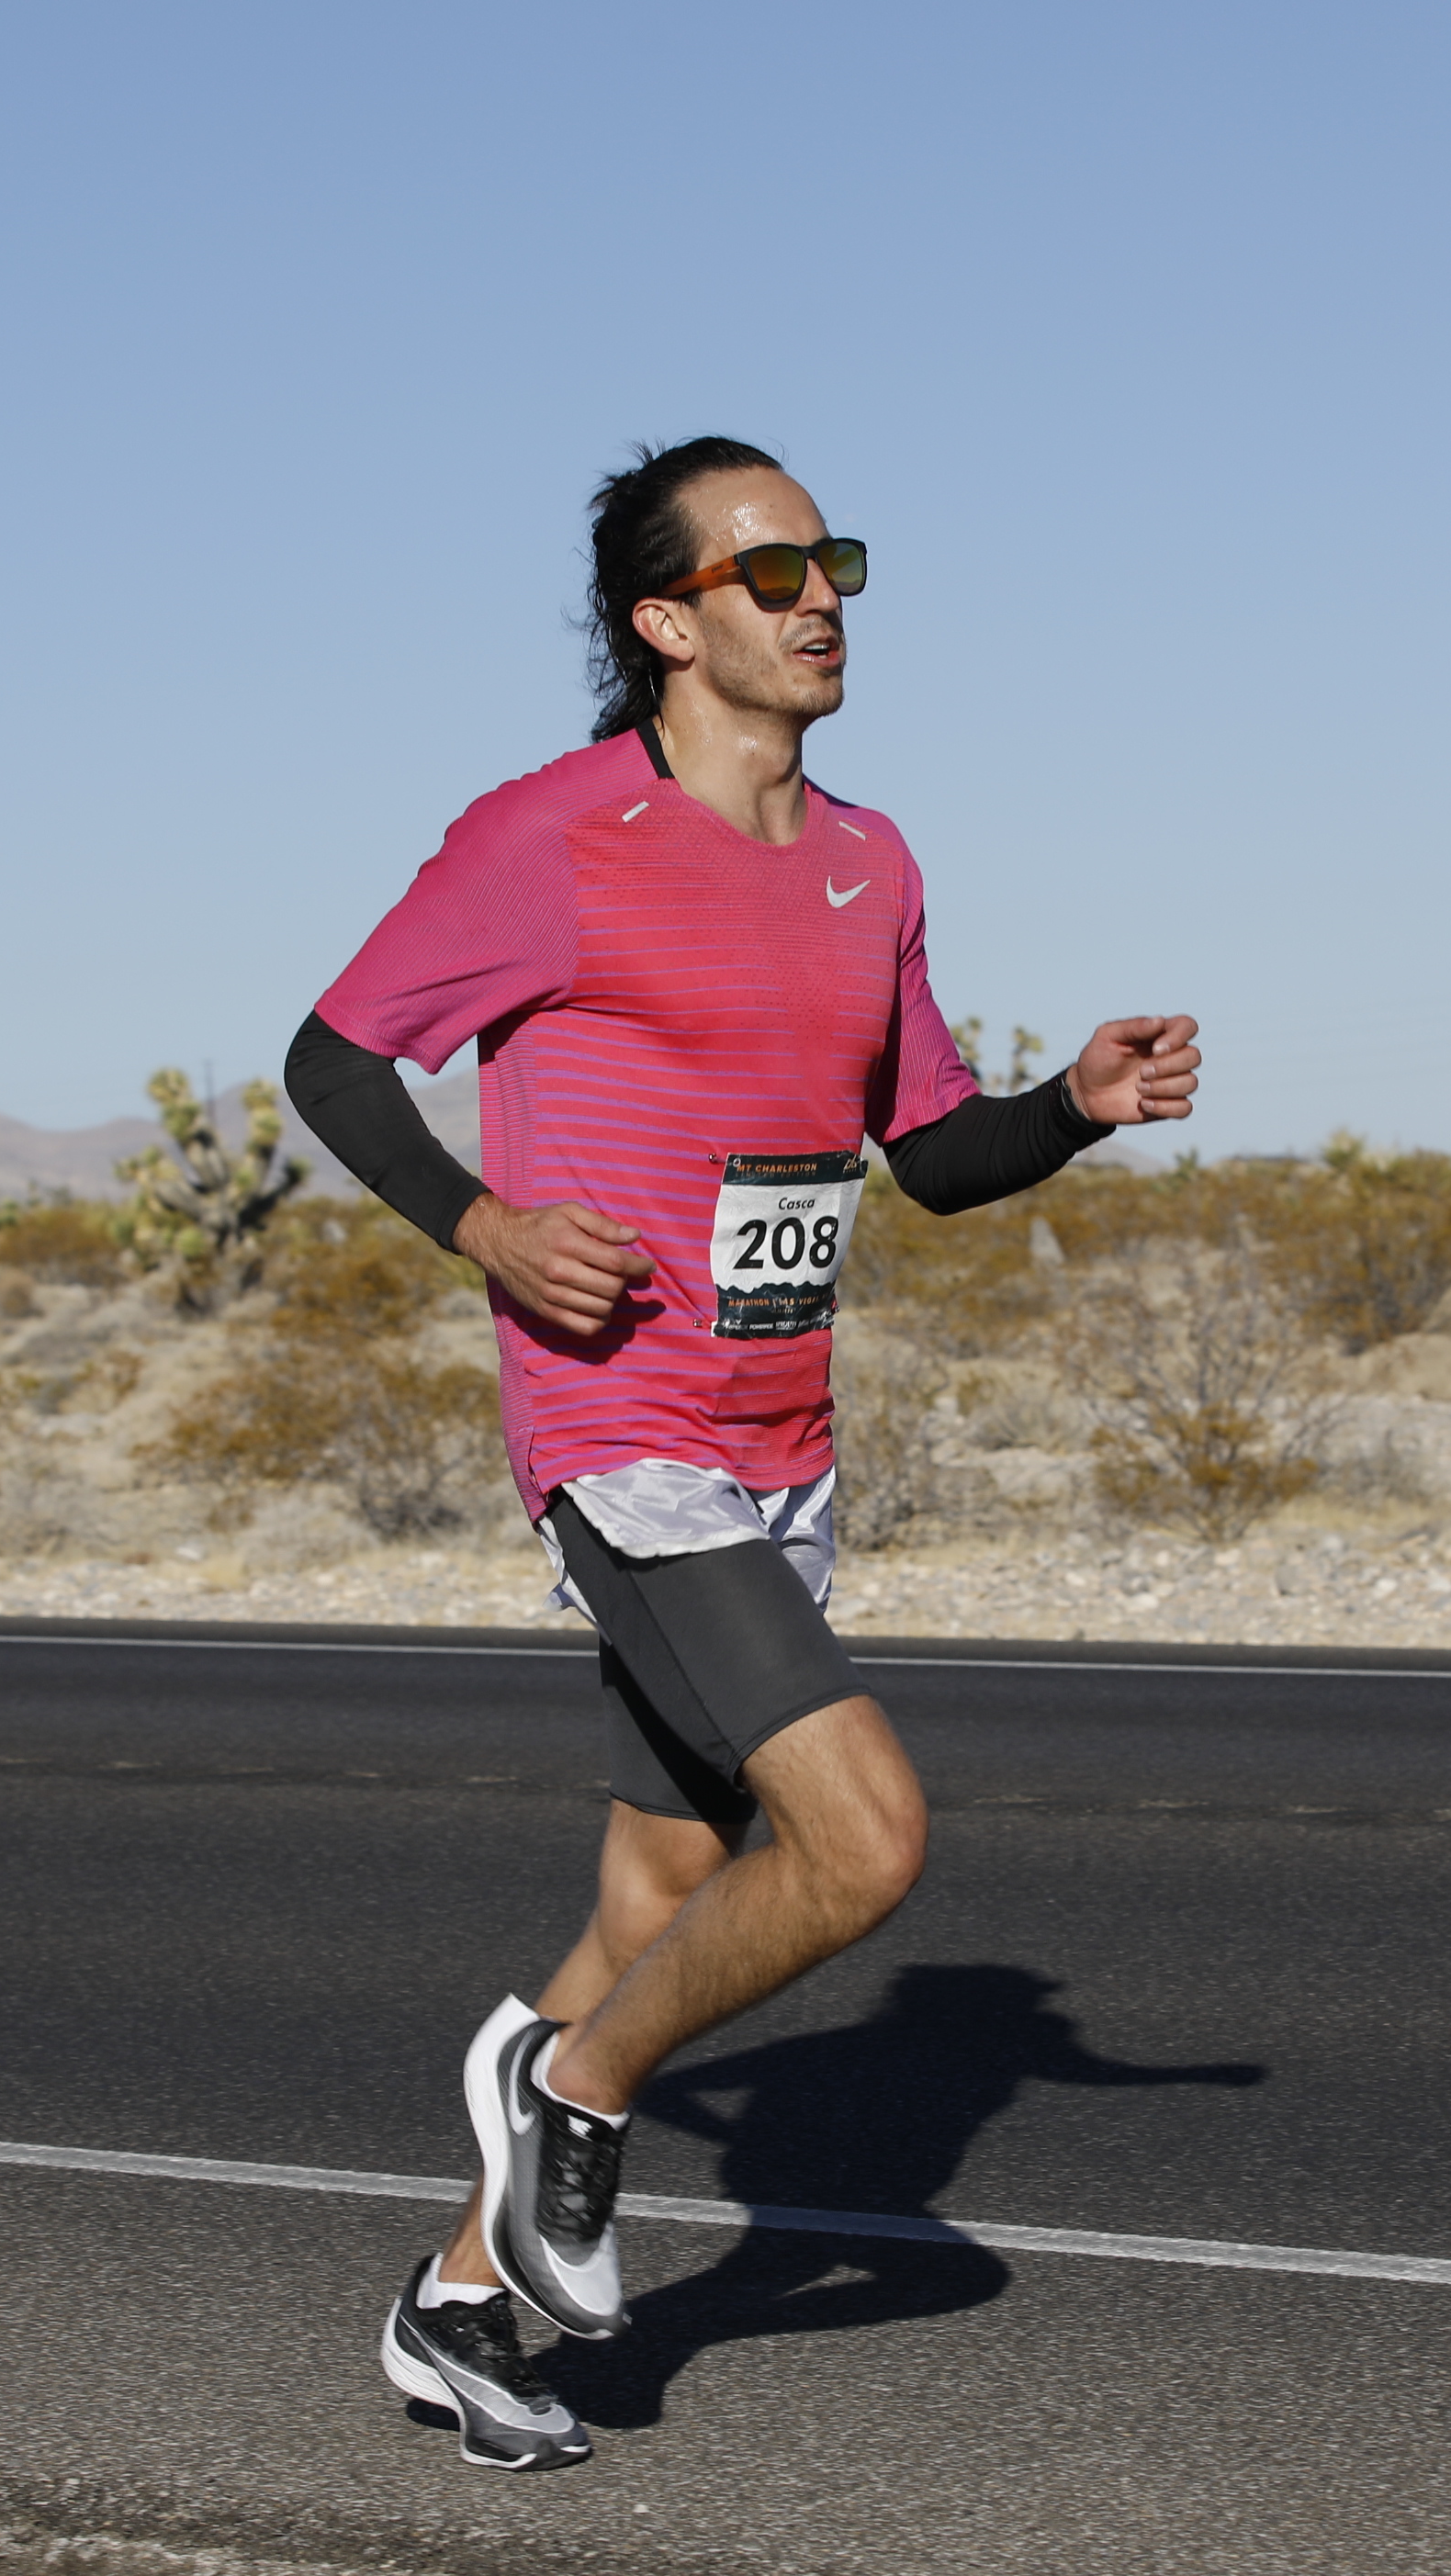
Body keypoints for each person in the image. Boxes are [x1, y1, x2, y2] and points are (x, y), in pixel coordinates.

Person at [283, 437, 1202, 2470]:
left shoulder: (875, 859)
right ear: (666, 621)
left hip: (782, 1435)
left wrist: (1071, 1104)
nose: (820, 598)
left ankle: (455, 2306)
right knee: (863, 1839)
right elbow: (331, 1056)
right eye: (769, 569)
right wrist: (483, 1225)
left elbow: (927, 1153)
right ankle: (567, 2097)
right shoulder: (550, 835)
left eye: (834, 562)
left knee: (659, 1894)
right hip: (620, 1421)